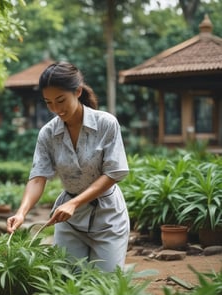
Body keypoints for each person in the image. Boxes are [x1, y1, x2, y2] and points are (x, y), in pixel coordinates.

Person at [7, 61, 130, 272]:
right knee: (66, 284)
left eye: (61, 100)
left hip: (108, 218)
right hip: (69, 222)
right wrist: (21, 212)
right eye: (48, 102)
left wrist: (75, 203)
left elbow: (113, 173)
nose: (55, 109)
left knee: (106, 286)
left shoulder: (106, 124)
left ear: (78, 91)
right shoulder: (47, 133)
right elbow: (38, 177)